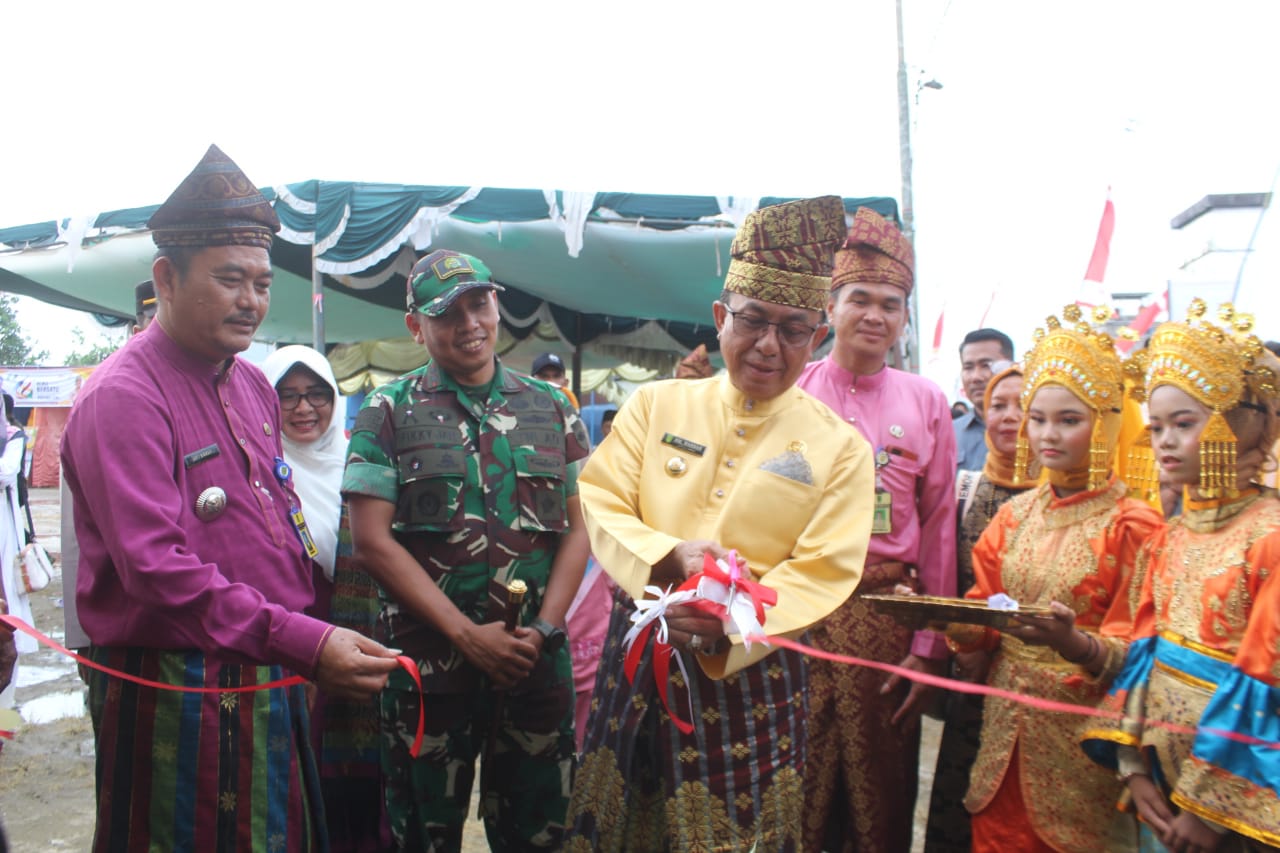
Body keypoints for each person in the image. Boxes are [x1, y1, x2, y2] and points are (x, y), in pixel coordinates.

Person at [59, 144, 400, 853]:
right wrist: (304, 638)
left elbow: (279, 519)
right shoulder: (123, 396)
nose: (251, 300)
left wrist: (310, 634)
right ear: (166, 278)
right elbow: (157, 570)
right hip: (175, 688)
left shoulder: (249, 383)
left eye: (263, 282)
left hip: (273, 670)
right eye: (229, 279)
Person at [566, 196, 875, 852]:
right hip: (640, 652)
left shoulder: (840, 448)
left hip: (749, 674)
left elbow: (823, 569)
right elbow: (601, 499)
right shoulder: (655, 405)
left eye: (793, 329)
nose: (769, 345)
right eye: (753, 321)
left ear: (817, 336)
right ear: (719, 317)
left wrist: (731, 626)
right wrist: (669, 553)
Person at [343, 248, 590, 851]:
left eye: (479, 304)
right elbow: (371, 541)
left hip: (533, 668)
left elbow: (585, 528)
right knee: (422, 837)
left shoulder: (553, 407)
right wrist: (465, 635)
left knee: (539, 836)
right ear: (415, 326)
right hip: (430, 673)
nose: (469, 324)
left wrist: (546, 629)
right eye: (447, 312)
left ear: (497, 305)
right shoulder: (386, 412)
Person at [950, 304, 1162, 853]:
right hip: (1002, 743)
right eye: (1037, 418)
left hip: (1083, 748)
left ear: (1107, 422)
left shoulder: (1134, 526)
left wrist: (1075, 643)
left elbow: (1143, 654)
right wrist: (950, 620)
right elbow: (983, 614)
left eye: (1069, 420)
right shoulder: (1014, 516)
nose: (1046, 434)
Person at [1082, 300, 1280, 851]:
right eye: (1158, 425)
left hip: (1244, 796)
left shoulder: (1270, 535)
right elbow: (1144, 652)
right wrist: (1134, 766)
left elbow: (1266, 678)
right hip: (1162, 776)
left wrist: (1208, 808)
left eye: (1184, 424)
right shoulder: (1170, 536)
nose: (1162, 440)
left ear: (1236, 425)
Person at [795, 205, 957, 853]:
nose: (874, 314)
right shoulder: (793, 390)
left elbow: (942, 520)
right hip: (800, 612)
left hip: (890, 616)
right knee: (799, 778)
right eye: (858, 298)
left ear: (904, 318)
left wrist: (928, 644)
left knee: (883, 790)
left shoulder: (927, 401)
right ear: (829, 308)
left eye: (890, 303)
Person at [924, 365, 1035, 853]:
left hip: (1033, 686)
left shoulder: (1062, 494)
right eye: (998, 406)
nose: (1011, 418)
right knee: (959, 804)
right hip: (970, 678)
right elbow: (947, 577)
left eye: (1024, 406)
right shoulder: (966, 489)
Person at [63, 280, 159, 655]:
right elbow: (77, 542)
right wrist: (81, 641)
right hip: (135, 633)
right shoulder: (108, 398)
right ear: (137, 332)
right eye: (157, 325)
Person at [0, 393, 34, 710]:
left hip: (4, 536)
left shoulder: (13, 439)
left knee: (8, 638)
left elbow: (6, 473)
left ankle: (4, 721)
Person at [953, 328, 1016, 471]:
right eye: (968, 367)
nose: (976, 377)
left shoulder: (1033, 429)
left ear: (1011, 367)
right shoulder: (949, 433)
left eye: (986, 365)